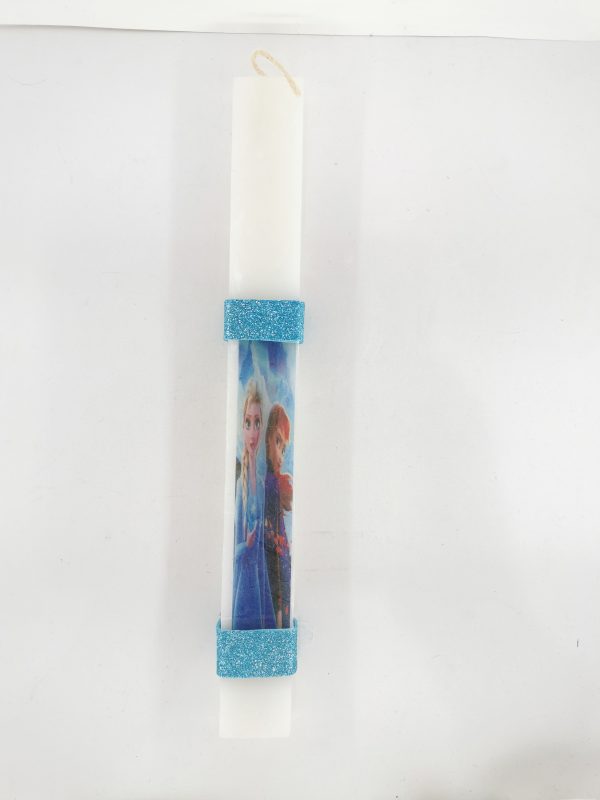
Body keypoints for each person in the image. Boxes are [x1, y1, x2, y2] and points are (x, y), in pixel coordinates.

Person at [232, 380, 275, 630]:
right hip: (244, 585)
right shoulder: (241, 486)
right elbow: (234, 550)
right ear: (242, 427)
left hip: (260, 580)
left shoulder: (260, 483)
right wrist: (245, 546)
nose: (252, 432)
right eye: (248, 423)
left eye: (257, 423)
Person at [263, 403, 293, 629]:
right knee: (277, 607)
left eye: (284, 449)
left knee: (282, 607)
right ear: (268, 439)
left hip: (280, 559)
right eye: (277, 442)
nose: (280, 456)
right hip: (272, 559)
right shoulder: (271, 483)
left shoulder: (276, 482)